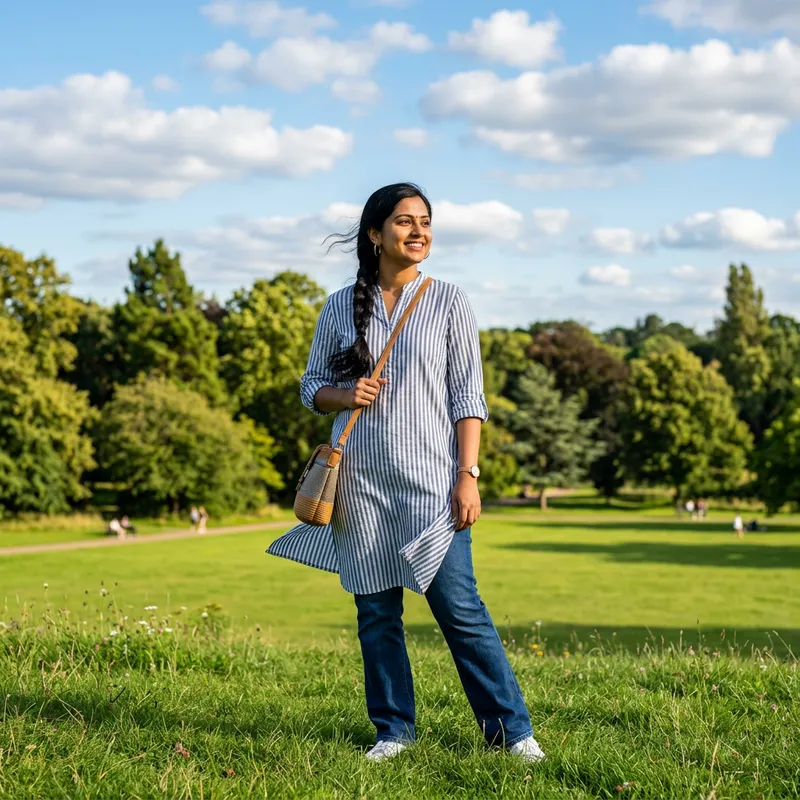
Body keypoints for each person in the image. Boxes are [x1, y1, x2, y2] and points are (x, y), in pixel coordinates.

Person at [267, 183, 545, 764]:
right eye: (404, 221)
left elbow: (468, 397)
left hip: (433, 485)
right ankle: (393, 732)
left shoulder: (449, 301)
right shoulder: (338, 306)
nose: (418, 231)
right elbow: (310, 387)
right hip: (361, 486)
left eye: (425, 221)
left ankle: (513, 734)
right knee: (376, 616)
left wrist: (468, 474)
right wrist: (345, 394)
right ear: (375, 234)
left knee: (460, 610)